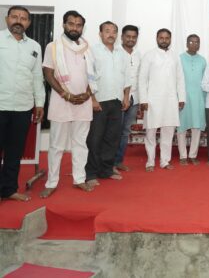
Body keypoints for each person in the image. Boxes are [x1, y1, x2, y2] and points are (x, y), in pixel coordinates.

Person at [40, 11, 95, 198]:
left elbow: (93, 75)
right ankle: (51, 182)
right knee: (56, 145)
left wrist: (87, 94)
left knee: (80, 143)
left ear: (82, 28)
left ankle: (79, 178)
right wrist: (66, 94)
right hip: (61, 101)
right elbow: (48, 73)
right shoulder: (53, 47)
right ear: (63, 25)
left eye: (78, 25)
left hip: (83, 102)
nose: (74, 28)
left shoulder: (87, 48)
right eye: (71, 24)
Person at [0, 6, 44, 202]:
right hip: (1, 104)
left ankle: (9, 190)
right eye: (15, 17)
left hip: (23, 107)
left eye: (23, 18)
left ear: (29, 23)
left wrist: (39, 103)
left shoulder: (34, 46)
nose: (19, 21)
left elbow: (37, 77)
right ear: (7, 19)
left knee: (14, 151)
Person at [85, 22, 131, 187]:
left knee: (112, 138)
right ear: (100, 34)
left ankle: (106, 170)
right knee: (95, 138)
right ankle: (90, 173)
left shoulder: (121, 54)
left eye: (114, 32)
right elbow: (88, 76)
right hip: (99, 100)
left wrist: (126, 97)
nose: (111, 34)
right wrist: (92, 99)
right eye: (107, 31)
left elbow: (127, 77)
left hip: (117, 101)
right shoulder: (92, 51)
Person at [138, 29, 185, 171]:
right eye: (161, 38)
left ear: (170, 39)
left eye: (167, 38)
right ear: (157, 38)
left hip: (170, 100)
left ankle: (165, 161)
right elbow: (142, 79)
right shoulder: (149, 55)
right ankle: (150, 162)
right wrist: (143, 99)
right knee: (151, 132)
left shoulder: (175, 56)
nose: (164, 40)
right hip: (152, 100)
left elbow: (180, 78)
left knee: (168, 132)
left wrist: (181, 97)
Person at [177, 34, 207, 166]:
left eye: (197, 42)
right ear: (186, 43)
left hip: (199, 98)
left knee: (197, 127)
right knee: (181, 128)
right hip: (183, 98)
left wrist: (205, 100)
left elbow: (205, 81)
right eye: (191, 42)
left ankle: (193, 155)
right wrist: (178, 97)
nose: (194, 44)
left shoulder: (202, 61)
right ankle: (183, 156)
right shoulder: (179, 59)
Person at [114, 25, 141, 172]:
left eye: (134, 37)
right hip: (118, 98)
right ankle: (109, 163)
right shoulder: (115, 53)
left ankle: (118, 161)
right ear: (122, 37)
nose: (131, 39)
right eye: (128, 36)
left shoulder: (138, 55)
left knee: (125, 132)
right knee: (114, 131)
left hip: (134, 99)